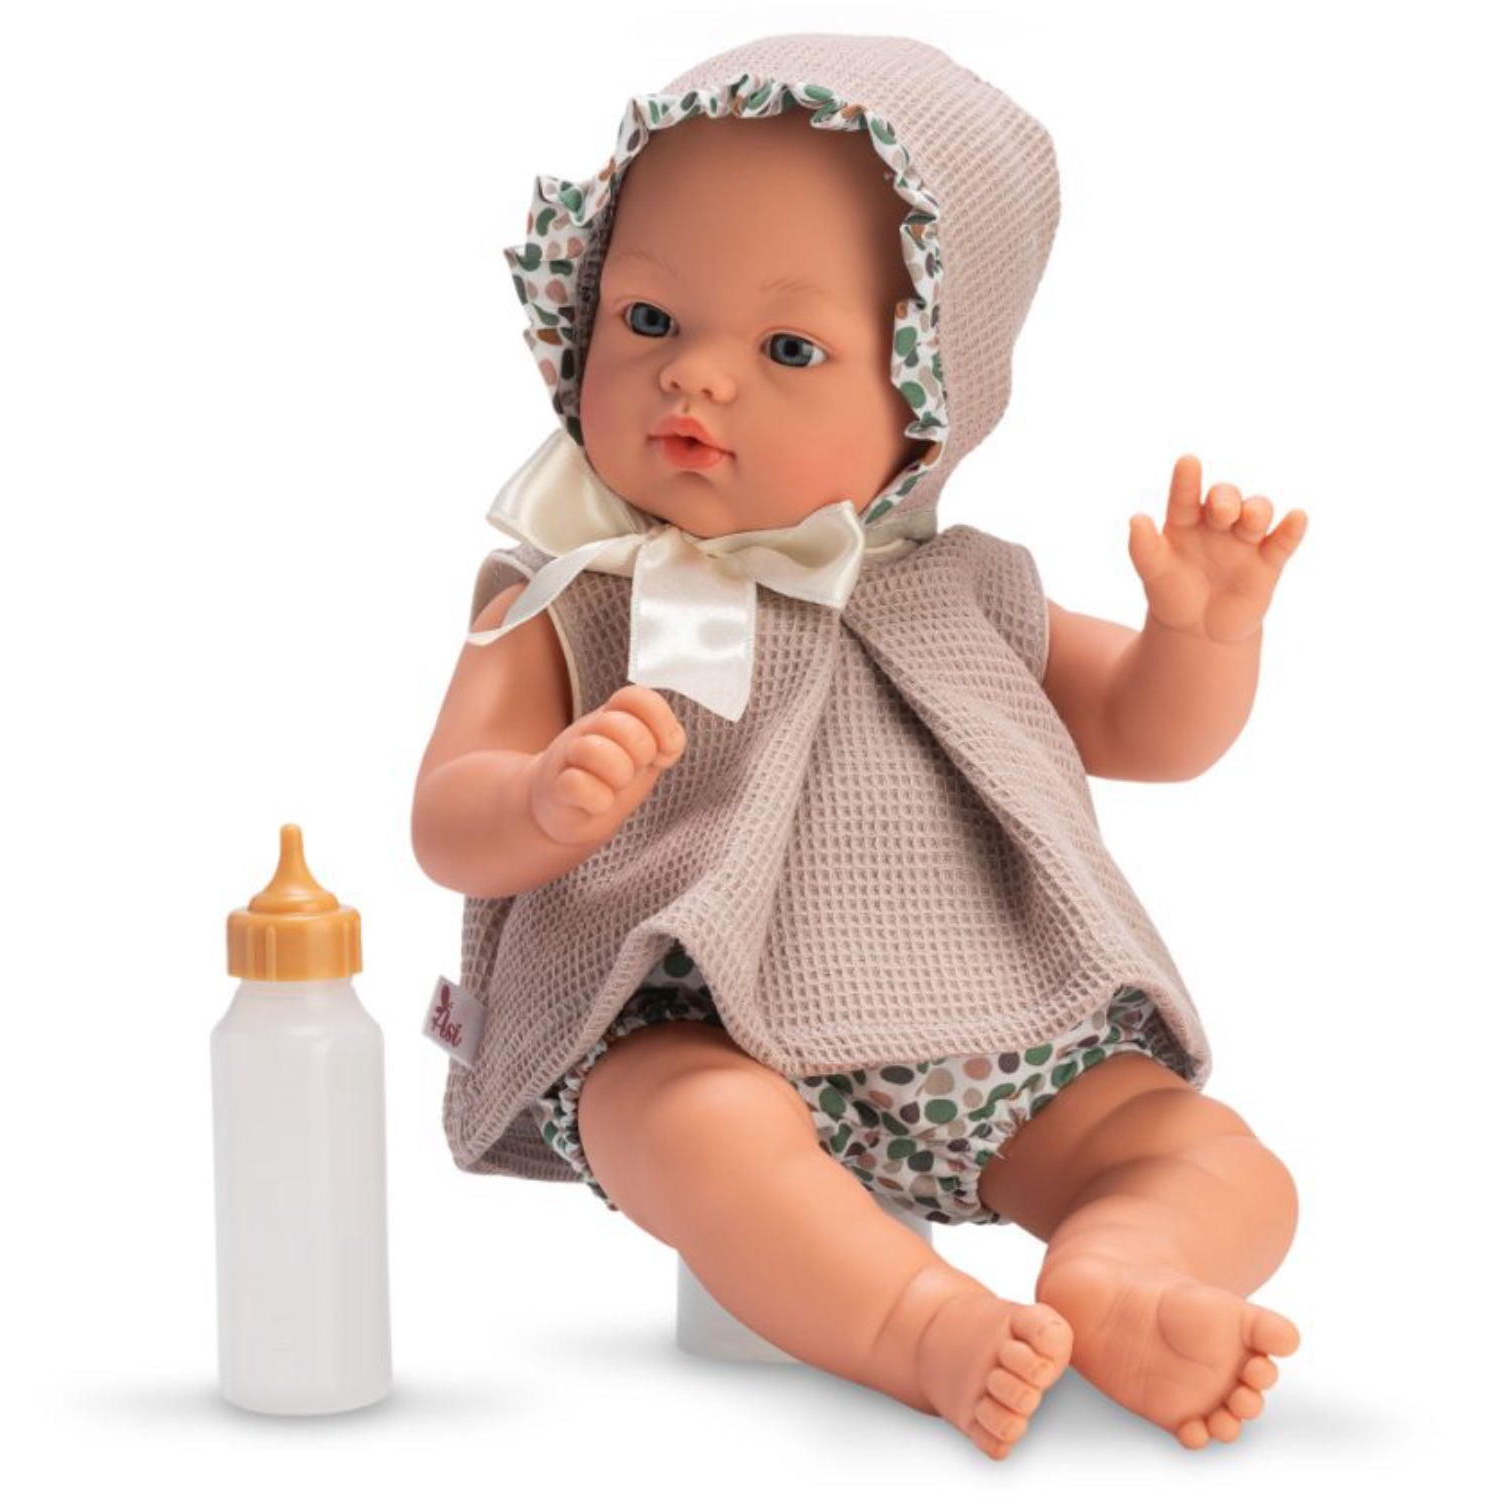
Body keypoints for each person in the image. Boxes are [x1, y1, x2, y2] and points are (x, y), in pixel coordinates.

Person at [413, 35, 1306, 1460]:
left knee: (1210, 1155)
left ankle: (1130, 1265)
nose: (694, 377)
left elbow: (1146, 732)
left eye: (787, 349)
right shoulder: (572, 596)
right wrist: (539, 800)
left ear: (930, 395)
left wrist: (1200, 639)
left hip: (996, 1043)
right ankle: (918, 1325)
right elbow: (447, 819)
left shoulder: (967, 590)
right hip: (691, 1028)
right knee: (692, 1135)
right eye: (648, 318)